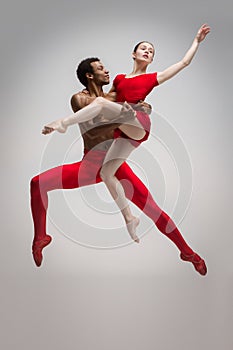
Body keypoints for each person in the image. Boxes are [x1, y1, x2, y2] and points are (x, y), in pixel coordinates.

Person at [30, 56, 207, 275]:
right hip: (90, 164)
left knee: (153, 209)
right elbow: (94, 128)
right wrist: (128, 112)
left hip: (114, 164)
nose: (107, 71)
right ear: (89, 75)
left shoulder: (111, 96)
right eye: (100, 68)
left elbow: (126, 105)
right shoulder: (79, 99)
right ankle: (40, 238)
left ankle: (188, 253)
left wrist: (139, 109)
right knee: (37, 183)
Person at [42, 24, 210, 244]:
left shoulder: (151, 78)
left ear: (151, 60)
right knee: (107, 174)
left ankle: (63, 123)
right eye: (143, 48)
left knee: (102, 103)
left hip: (138, 124)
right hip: (123, 131)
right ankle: (130, 218)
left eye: (151, 51)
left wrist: (196, 41)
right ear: (134, 54)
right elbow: (109, 104)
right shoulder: (120, 79)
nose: (148, 51)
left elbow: (183, 63)